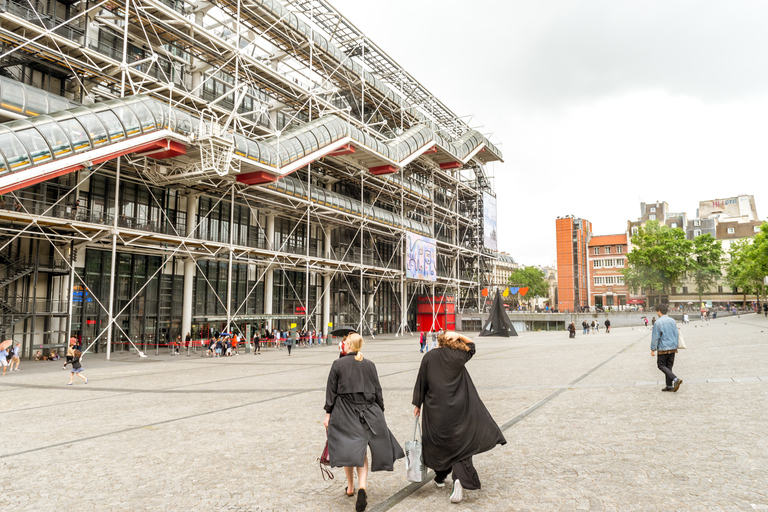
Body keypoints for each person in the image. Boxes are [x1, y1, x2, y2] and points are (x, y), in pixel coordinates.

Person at [412, 332, 506, 504]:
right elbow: (472, 346)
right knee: (460, 443)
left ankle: (443, 477)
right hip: (459, 408)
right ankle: (455, 479)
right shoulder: (458, 356)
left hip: (436, 409)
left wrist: (418, 404)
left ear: (439, 341)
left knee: (440, 443)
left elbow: (421, 381)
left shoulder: (429, 357)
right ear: (452, 342)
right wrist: (459, 335)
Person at [323, 333, 404, 512]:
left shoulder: (338, 364)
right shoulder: (370, 364)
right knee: (362, 451)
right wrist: (380, 412)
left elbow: (331, 392)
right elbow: (377, 391)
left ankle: (350, 487)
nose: (342, 344)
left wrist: (328, 414)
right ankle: (362, 487)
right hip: (368, 411)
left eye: (344, 342)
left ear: (349, 345)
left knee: (347, 448)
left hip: (345, 411)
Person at [650, 304, 682, 392]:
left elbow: (655, 337)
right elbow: (676, 333)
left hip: (663, 347)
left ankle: (675, 379)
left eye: (656, 311)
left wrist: (653, 349)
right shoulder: (672, 321)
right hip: (673, 347)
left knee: (661, 365)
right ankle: (669, 385)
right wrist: (675, 345)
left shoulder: (658, 322)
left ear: (659, 311)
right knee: (669, 366)